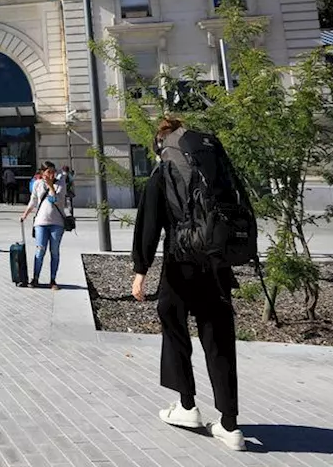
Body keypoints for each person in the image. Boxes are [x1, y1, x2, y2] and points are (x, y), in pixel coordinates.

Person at [131, 116, 245, 452]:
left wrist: (141, 270)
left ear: (160, 144)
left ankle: (186, 405)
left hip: (180, 266)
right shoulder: (210, 170)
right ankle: (230, 425)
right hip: (216, 264)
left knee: (173, 323)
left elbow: (148, 224)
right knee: (219, 338)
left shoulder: (163, 173)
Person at [21, 168, 70, 289]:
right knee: (40, 250)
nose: (51, 174)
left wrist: (51, 186)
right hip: (41, 222)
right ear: (43, 173)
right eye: (48, 172)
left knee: (54, 251)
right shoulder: (37, 184)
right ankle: (35, 278)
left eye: (53, 172)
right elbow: (33, 201)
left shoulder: (60, 184)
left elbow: (56, 200)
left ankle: (53, 280)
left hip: (57, 223)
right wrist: (25, 215)